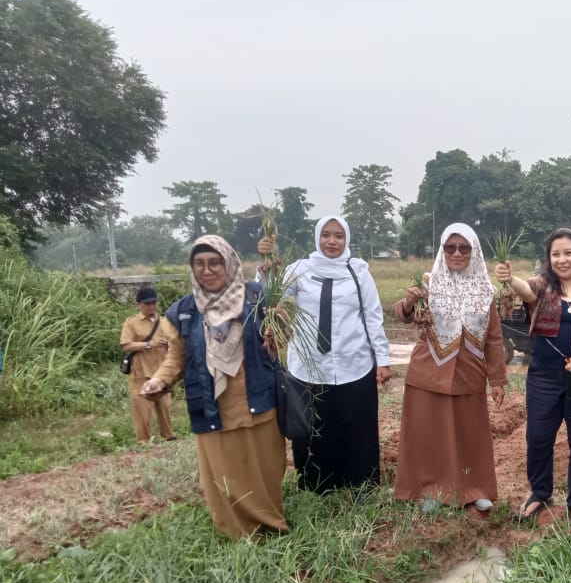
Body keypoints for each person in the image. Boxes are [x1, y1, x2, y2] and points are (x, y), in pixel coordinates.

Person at [142, 236, 289, 538]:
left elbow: (281, 334)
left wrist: (281, 323)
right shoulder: (184, 311)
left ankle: (271, 526)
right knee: (225, 474)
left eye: (214, 263)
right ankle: (237, 533)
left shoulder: (256, 297)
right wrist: (161, 378)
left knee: (266, 469)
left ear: (229, 263)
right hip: (213, 405)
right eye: (199, 264)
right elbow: (176, 357)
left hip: (258, 399)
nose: (207, 271)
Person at [260, 216, 392, 493]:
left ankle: (360, 484)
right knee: (313, 428)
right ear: (318, 237)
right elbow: (271, 296)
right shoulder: (300, 269)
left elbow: (372, 316)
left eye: (339, 236)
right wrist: (267, 267)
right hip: (309, 365)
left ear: (347, 240)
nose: (332, 241)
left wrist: (383, 360)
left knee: (355, 425)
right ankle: (317, 485)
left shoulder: (358, 272)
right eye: (326, 235)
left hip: (353, 362)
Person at [496, 228, 571, 525]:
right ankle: (540, 492)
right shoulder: (545, 285)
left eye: (569, 253)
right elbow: (526, 289)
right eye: (555, 254)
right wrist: (509, 277)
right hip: (544, 376)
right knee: (538, 436)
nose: (562, 259)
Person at [394, 223, 507, 512]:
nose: (457, 254)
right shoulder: (429, 283)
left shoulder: (484, 290)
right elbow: (405, 315)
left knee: (469, 434)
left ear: (474, 251)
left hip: (469, 372)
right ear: (442, 250)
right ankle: (429, 491)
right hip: (428, 373)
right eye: (450, 248)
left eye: (464, 248)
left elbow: (494, 337)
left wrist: (497, 379)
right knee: (430, 435)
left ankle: (475, 488)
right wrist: (409, 301)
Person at [120, 286, 177, 443]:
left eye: (153, 303)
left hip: (161, 373)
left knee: (165, 407)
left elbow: (176, 344)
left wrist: (167, 345)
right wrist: (149, 344)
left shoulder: (166, 322)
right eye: (147, 304)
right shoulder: (131, 323)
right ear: (138, 305)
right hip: (141, 373)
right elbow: (126, 345)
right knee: (142, 411)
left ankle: (169, 437)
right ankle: (143, 442)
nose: (151, 307)